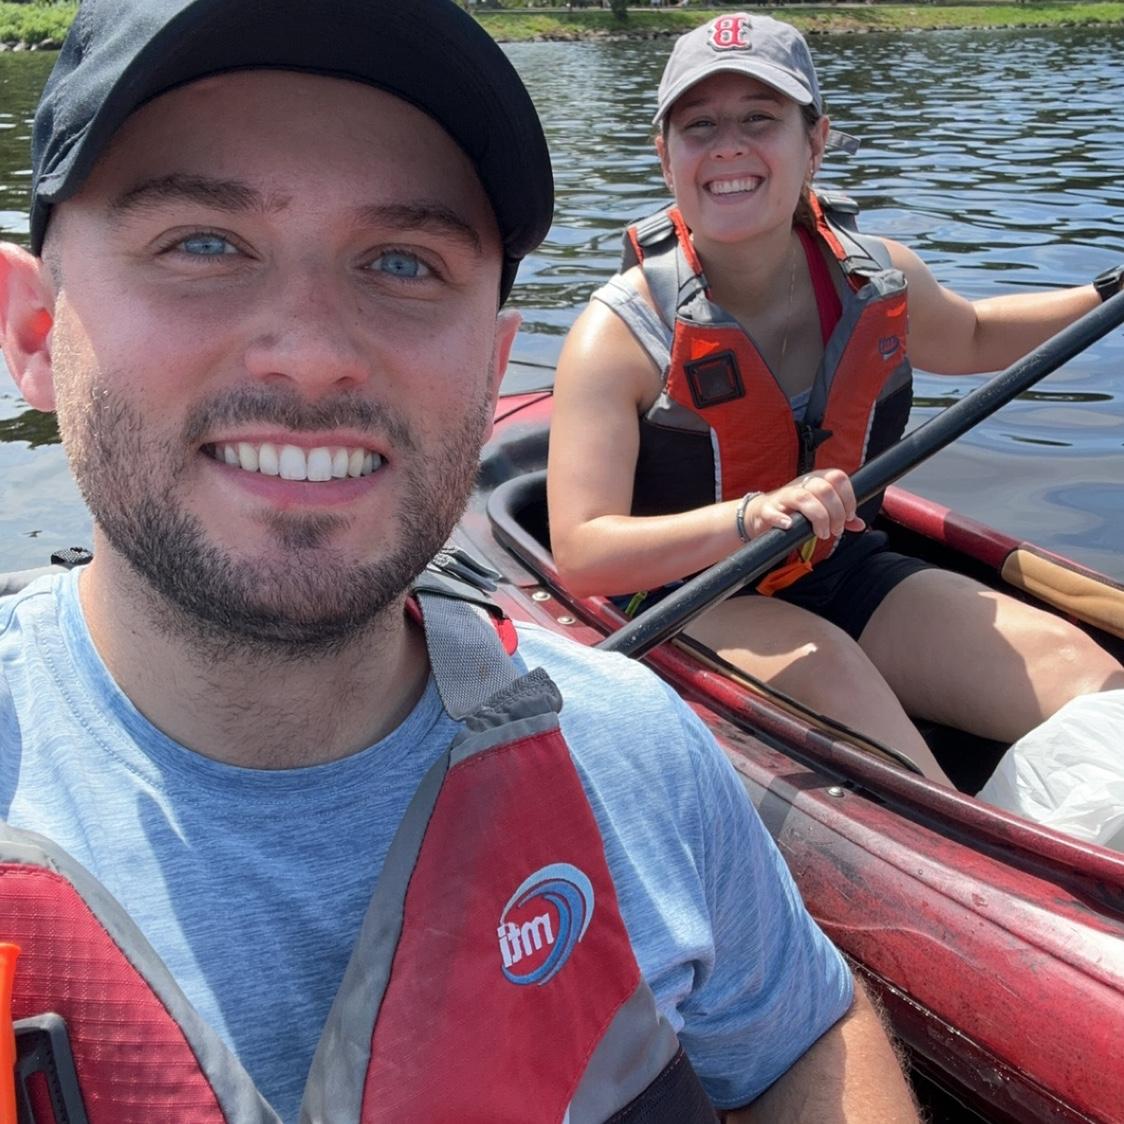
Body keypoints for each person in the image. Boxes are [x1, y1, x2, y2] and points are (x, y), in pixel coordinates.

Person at [0, 1, 919, 1120]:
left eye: (401, 261)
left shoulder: (635, 754)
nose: (313, 354)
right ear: (36, 333)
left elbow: (802, 1040)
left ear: (489, 367)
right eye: (203, 243)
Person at [546, 11, 1124, 787]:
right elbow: (582, 553)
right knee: (851, 694)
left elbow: (977, 336)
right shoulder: (617, 333)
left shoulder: (876, 274)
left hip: (840, 567)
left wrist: (1105, 292)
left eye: (760, 119)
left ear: (814, 141)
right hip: (687, 598)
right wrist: (751, 518)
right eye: (698, 126)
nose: (727, 146)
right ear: (665, 155)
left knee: (1086, 675)